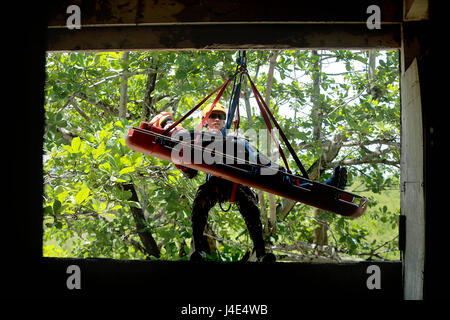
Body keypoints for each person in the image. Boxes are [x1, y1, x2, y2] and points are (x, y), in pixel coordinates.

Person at [153, 103, 347, 262]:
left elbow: (257, 158)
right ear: (205, 121)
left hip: (241, 177)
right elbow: (190, 172)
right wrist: (175, 152)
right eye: (213, 116)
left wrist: (271, 169)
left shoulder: (235, 139)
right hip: (217, 183)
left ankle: (326, 189)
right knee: (201, 200)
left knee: (268, 188)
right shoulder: (196, 139)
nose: (217, 120)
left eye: (220, 117)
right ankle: (198, 250)